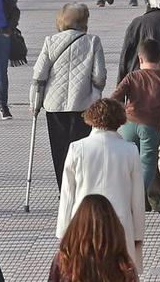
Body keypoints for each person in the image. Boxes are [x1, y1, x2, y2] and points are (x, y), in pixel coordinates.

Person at [58, 99, 146, 264]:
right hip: (120, 225)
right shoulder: (130, 150)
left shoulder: (76, 148)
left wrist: (63, 232)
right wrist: (138, 235)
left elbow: (67, 194)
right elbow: (138, 198)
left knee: (86, 276)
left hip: (84, 224)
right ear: (119, 120)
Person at [31, 2, 109, 183]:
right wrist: (96, 89)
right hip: (83, 104)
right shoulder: (92, 41)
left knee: (60, 150)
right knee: (82, 149)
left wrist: (34, 103)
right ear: (84, 20)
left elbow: (39, 76)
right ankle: (80, 187)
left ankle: (63, 189)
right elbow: (99, 76)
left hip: (54, 105)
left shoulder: (50, 41)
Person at [111, 37, 160, 201]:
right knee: (147, 162)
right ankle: (137, 198)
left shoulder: (132, 76)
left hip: (128, 124)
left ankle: (122, 194)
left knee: (127, 161)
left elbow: (115, 97)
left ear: (140, 58)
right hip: (151, 126)